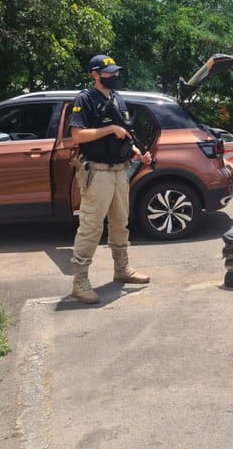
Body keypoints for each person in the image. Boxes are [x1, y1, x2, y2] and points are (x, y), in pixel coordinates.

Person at [68, 54, 152, 304]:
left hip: (119, 171)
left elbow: (124, 134)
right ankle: (80, 281)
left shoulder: (118, 99)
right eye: (108, 73)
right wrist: (109, 129)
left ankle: (121, 269)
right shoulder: (85, 99)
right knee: (91, 226)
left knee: (120, 223)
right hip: (98, 172)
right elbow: (77, 136)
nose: (113, 76)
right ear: (95, 74)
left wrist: (137, 152)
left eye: (115, 72)